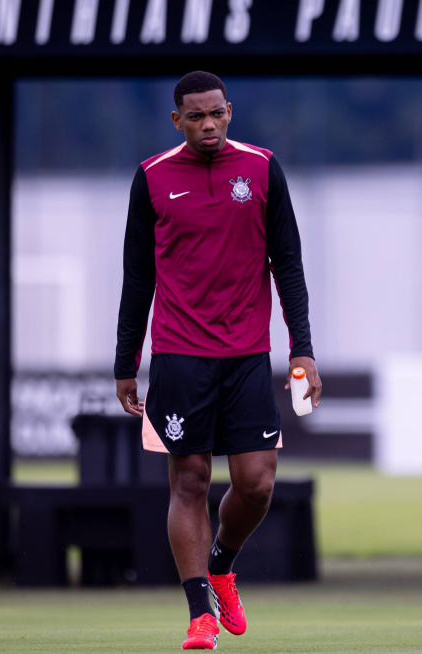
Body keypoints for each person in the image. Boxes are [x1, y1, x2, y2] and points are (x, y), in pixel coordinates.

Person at [114, 71, 321, 651]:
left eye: (217, 114)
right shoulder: (152, 178)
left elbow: (289, 264)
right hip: (179, 355)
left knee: (256, 484)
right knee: (191, 481)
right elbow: (137, 276)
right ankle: (198, 612)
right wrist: (124, 361)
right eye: (196, 117)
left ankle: (223, 564)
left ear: (229, 110)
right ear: (176, 121)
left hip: (249, 354)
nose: (209, 125)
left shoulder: (261, 169)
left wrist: (301, 349)